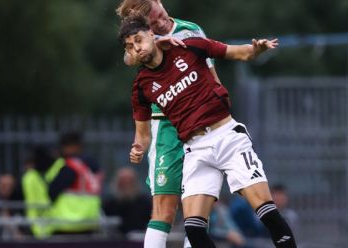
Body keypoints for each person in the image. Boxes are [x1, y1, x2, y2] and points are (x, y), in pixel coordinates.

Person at [120, 16, 297, 247]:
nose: (137, 47)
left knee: (267, 213)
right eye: (130, 46)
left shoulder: (190, 45)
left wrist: (256, 50)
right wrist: (137, 148)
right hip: (195, 150)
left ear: (152, 35)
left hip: (227, 137)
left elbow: (239, 53)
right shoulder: (142, 86)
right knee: (194, 230)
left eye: (138, 39)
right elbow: (142, 134)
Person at [116, 0, 221, 247]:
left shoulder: (190, 30)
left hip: (200, 127)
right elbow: (128, 59)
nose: (161, 21)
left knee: (197, 211)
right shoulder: (142, 43)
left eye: (160, 13)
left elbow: (212, 74)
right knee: (164, 207)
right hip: (165, 128)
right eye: (153, 22)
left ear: (160, 1)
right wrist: (154, 42)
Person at [47, 131, 103, 235]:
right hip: (90, 222)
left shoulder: (71, 166)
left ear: (72, 146)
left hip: (67, 223)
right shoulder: (93, 166)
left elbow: (52, 191)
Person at [102, 166, 152, 234]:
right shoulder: (109, 203)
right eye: (123, 182)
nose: (126, 185)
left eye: (129, 181)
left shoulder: (145, 202)